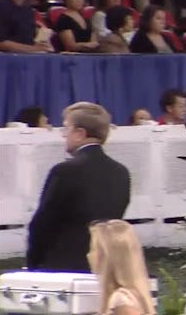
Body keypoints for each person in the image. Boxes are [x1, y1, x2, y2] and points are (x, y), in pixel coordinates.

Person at [26, 102, 131, 272]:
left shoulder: (65, 171)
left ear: (79, 133)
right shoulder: (121, 172)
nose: (63, 135)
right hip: (103, 268)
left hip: (61, 267)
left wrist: (33, 266)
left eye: (66, 128)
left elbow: (42, 225)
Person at [88, 220, 156, 315]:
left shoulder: (122, 299)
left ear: (107, 257)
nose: (89, 255)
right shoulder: (130, 295)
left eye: (94, 249)